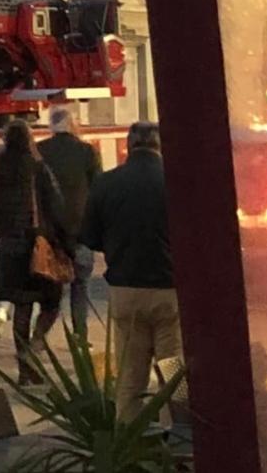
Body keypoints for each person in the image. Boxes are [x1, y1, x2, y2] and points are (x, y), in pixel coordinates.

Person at [81, 121, 180, 420]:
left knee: (130, 380)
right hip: (168, 292)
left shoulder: (106, 183)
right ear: (159, 146)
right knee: (173, 377)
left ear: (128, 146)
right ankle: (179, 444)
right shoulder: (175, 181)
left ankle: (130, 446)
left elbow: (89, 236)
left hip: (125, 292)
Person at [0, 119, 71, 384]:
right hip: (36, 245)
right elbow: (55, 208)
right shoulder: (37, 168)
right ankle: (34, 347)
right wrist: (66, 244)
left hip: (9, 247)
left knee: (21, 306)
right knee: (51, 302)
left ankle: (25, 370)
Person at [38, 105, 103, 338]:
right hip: (80, 229)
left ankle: (38, 339)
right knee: (80, 286)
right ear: (73, 124)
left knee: (50, 289)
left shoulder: (39, 151)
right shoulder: (86, 151)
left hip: (49, 232)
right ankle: (80, 338)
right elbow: (97, 188)